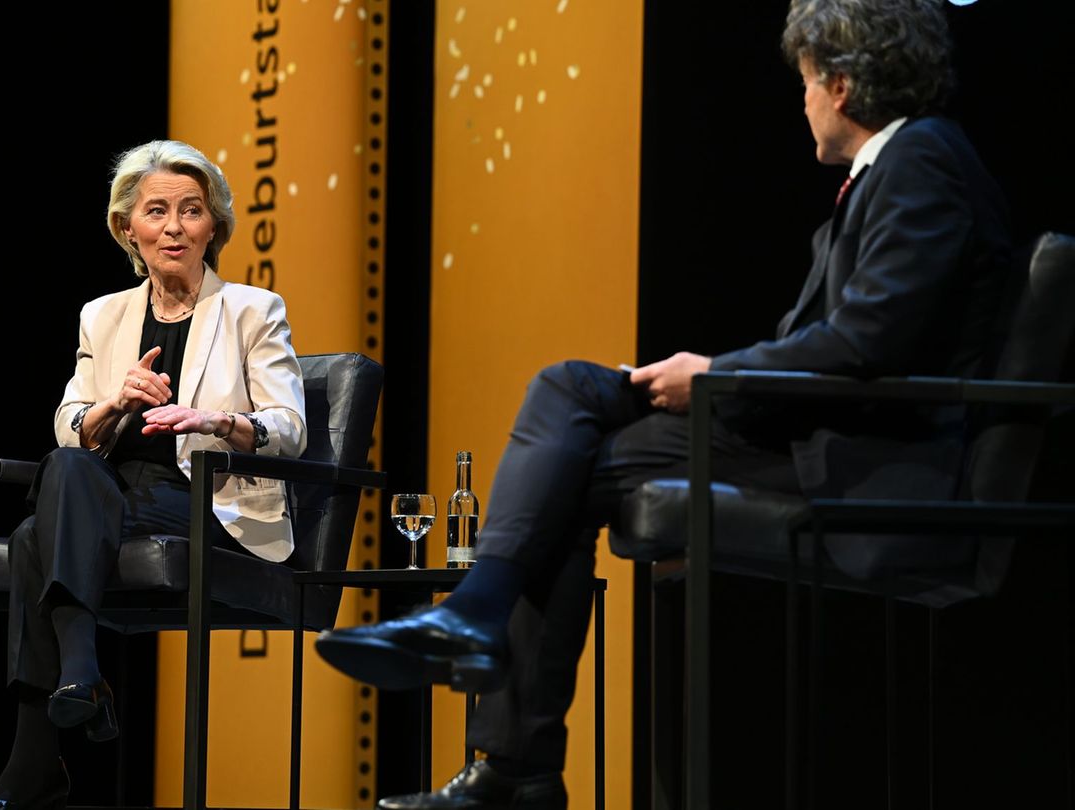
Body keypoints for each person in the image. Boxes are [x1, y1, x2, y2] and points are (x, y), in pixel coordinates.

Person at [315, 1, 1011, 808]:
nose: (806, 102)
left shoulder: (923, 159)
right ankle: (492, 684)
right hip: (825, 436)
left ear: (843, 85)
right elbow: (849, 346)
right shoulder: (895, 172)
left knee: (566, 449)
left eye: (808, 84)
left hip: (873, 468)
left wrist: (711, 378)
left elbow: (868, 343)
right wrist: (710, 383)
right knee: (569, 392)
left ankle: (510, 746)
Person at [0, 140, 306, 809]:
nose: (175, 226)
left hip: (206, 501)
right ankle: (76, 685)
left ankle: (51, 735)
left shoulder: (252, 310)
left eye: (192, 210)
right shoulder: (104, 314)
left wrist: (212, 421)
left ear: (214, 226)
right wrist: (116, 403)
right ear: (130, 227)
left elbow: (290, 428)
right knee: (68, 471)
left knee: (35, 537)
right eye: (158, 211)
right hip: (107, 495)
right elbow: (71, 423)